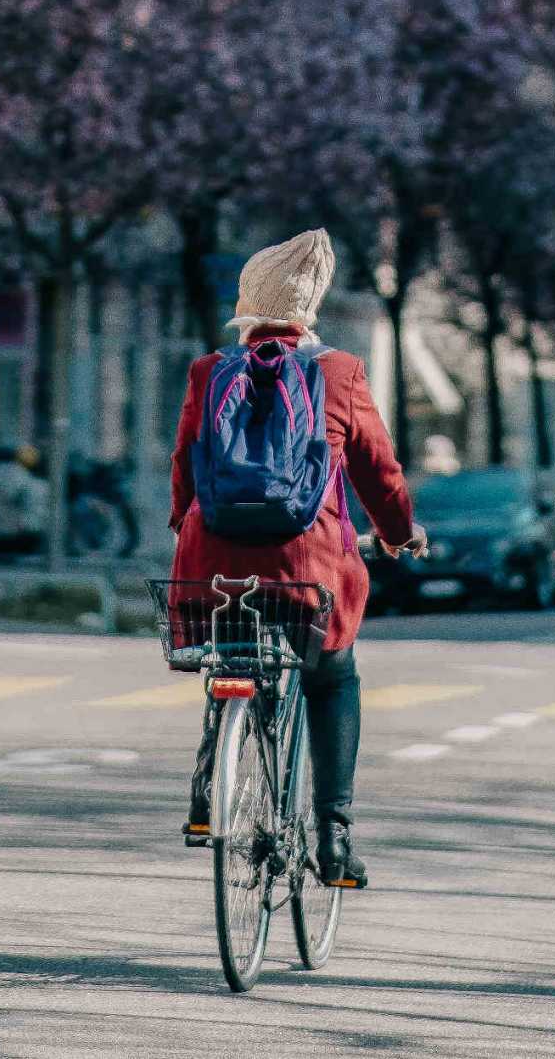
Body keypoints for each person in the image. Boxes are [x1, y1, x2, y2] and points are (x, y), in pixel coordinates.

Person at [169, 230, 423, 889]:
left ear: (247, 302)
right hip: (308, 572)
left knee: (228, 658)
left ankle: (207, 795)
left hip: (211, 568)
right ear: (311, 307)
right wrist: (398, 533)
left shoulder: (208, 370)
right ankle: (334, 838)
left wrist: (185, 532)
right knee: (333, 676)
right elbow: (379, 472)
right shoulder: (340, 373)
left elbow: (186, 469)